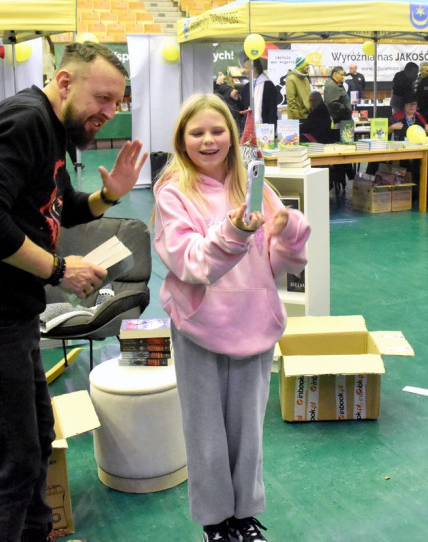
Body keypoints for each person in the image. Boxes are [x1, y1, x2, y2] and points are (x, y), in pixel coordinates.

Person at [0, 42, 148, 542]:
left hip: (9, 315)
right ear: (65, 82)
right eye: (103, 98)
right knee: (12, 466)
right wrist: (59, 268)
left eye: (118, 103)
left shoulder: (52, 131)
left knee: (37, 443)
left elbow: (59, 207)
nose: (109, 114)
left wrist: (110, 195)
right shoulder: (23, 121)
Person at [152, 94, 311, 542]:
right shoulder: (173, 193)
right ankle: (215, 522)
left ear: (233, 136)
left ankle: (243, 516)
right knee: (206, 433)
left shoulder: (254, 186)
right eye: (197, 132)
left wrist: (289, 232)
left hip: (253, 325)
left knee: (248, 434)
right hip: (200, 328)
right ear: (182, 140)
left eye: (217, 130)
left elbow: (276, 262)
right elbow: (190, 264)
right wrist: (236, 230)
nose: (208, 140)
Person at [252, 57, 280, 127]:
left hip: (265, 127)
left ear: (254, 68)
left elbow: (272, 111)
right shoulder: (248, 86)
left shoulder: (268, 85)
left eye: (246, 67)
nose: (244, 71)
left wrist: (272, 128)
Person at [285, 56, 311, 120]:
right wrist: (296, 118)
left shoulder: (305, 79)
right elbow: (291, 100)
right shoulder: (291, 79)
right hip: (297, 118)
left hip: (307, 116)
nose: (308, 67)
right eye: (306, 65)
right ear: (301, 66)